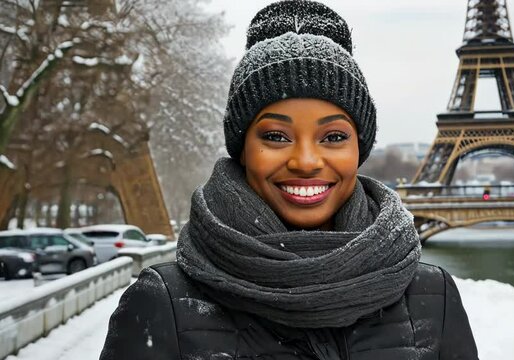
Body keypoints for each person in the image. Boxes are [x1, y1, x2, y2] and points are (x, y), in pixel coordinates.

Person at [100, 1, 478, 359]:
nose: (306, 161)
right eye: (276, 137)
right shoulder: (160, 304)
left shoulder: (436, 297)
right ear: (242, 148)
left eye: (333, 137)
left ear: (358, 150)